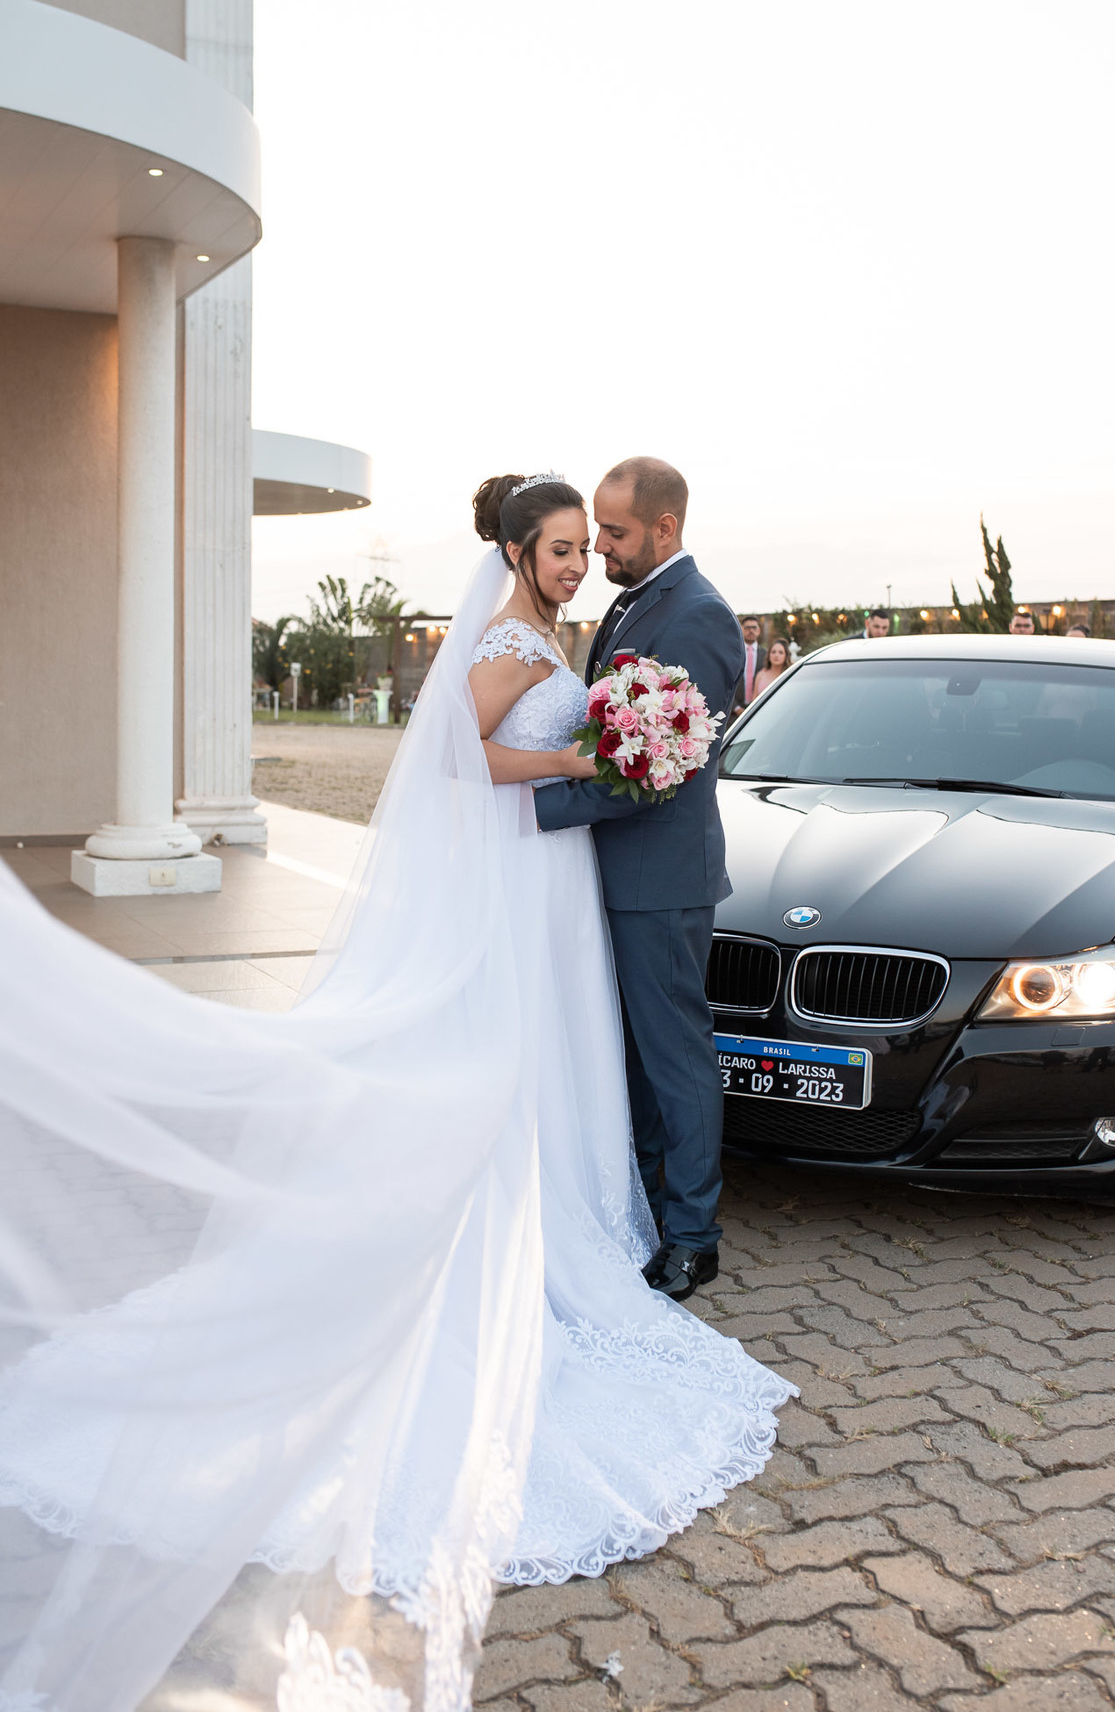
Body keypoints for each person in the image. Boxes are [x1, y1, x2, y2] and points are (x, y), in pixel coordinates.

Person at [0, 470, 793, 1712]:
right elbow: (469, 756)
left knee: (589, 1048)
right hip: (535, 867)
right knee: (541, 1049)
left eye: (592, 543)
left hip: (559, 875)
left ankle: (630, 1213)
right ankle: (592, 1219)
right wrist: (580, 752)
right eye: (566, 545)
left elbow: (620, 740)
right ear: (520, 554)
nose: (583, 560)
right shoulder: (512, 639)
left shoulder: (592, 624)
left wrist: (599, 750)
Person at [534, 458, 745, 1303]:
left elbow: (659, 771)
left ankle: (694, 1237)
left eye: (614, 532)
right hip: (617, 873)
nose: (600, 547)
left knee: (675, 1061)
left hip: (660, 877)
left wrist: (540, 809)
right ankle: (654, 1214)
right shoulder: (633, 602)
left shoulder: (698, 616)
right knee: (632, 1062)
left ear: (664, 528)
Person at [733, 614, 766, 714]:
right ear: (741, 630)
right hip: (734, 712)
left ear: (759, 630)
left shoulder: (767, 655)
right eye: (747, 628)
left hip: (760, 710)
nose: (751, 630)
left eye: (754, 627)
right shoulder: (733, 653)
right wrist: (736, 708)